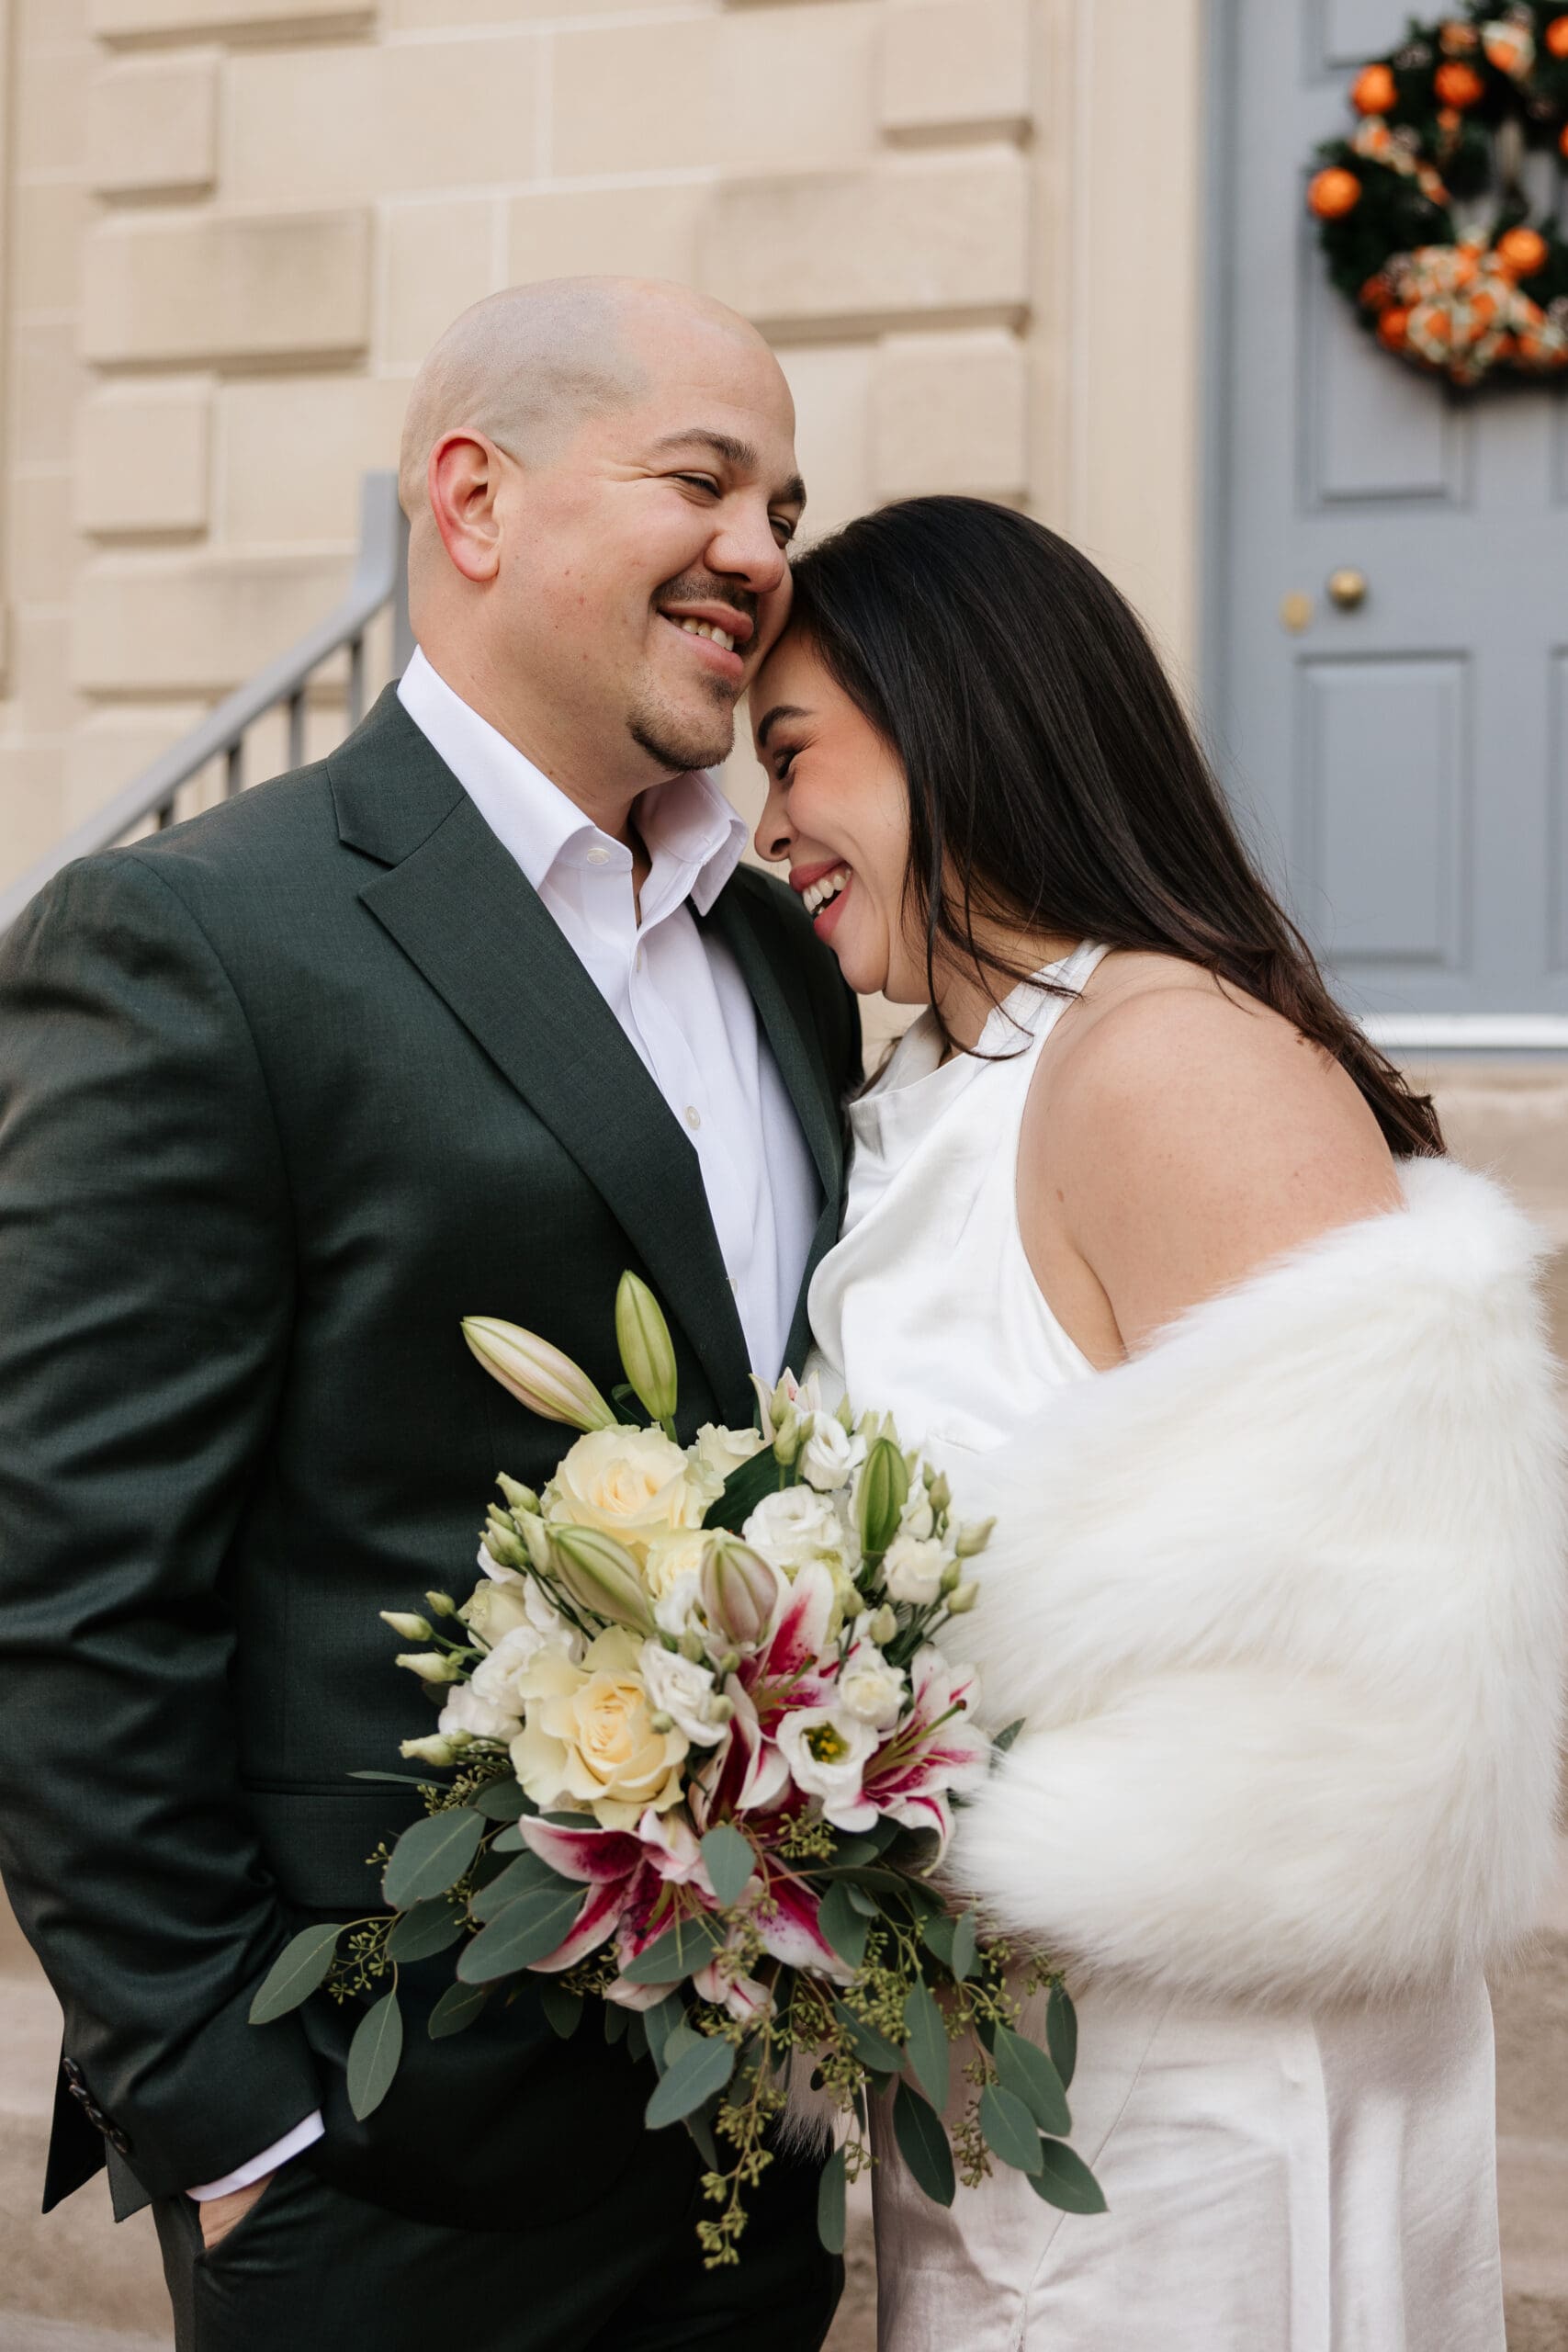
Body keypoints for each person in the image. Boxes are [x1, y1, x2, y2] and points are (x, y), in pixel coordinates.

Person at [0, 277, 857, 2352]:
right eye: (702, 479)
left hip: (745, 2145)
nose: (761, 550)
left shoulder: (782, 956)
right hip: (380, 2181)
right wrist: (234, 2126)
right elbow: (66, 1589)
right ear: (472, 498)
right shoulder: (196, 940)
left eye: (785, 504)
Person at [751, 494, 1565, 2351]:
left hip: (1212, 2099)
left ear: (952, 711)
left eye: (794, 751)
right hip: (1017, 2069)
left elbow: (1383, 1673)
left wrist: (900, 1819)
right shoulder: (952, 1080)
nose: (766, 822)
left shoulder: (1164, 1056)